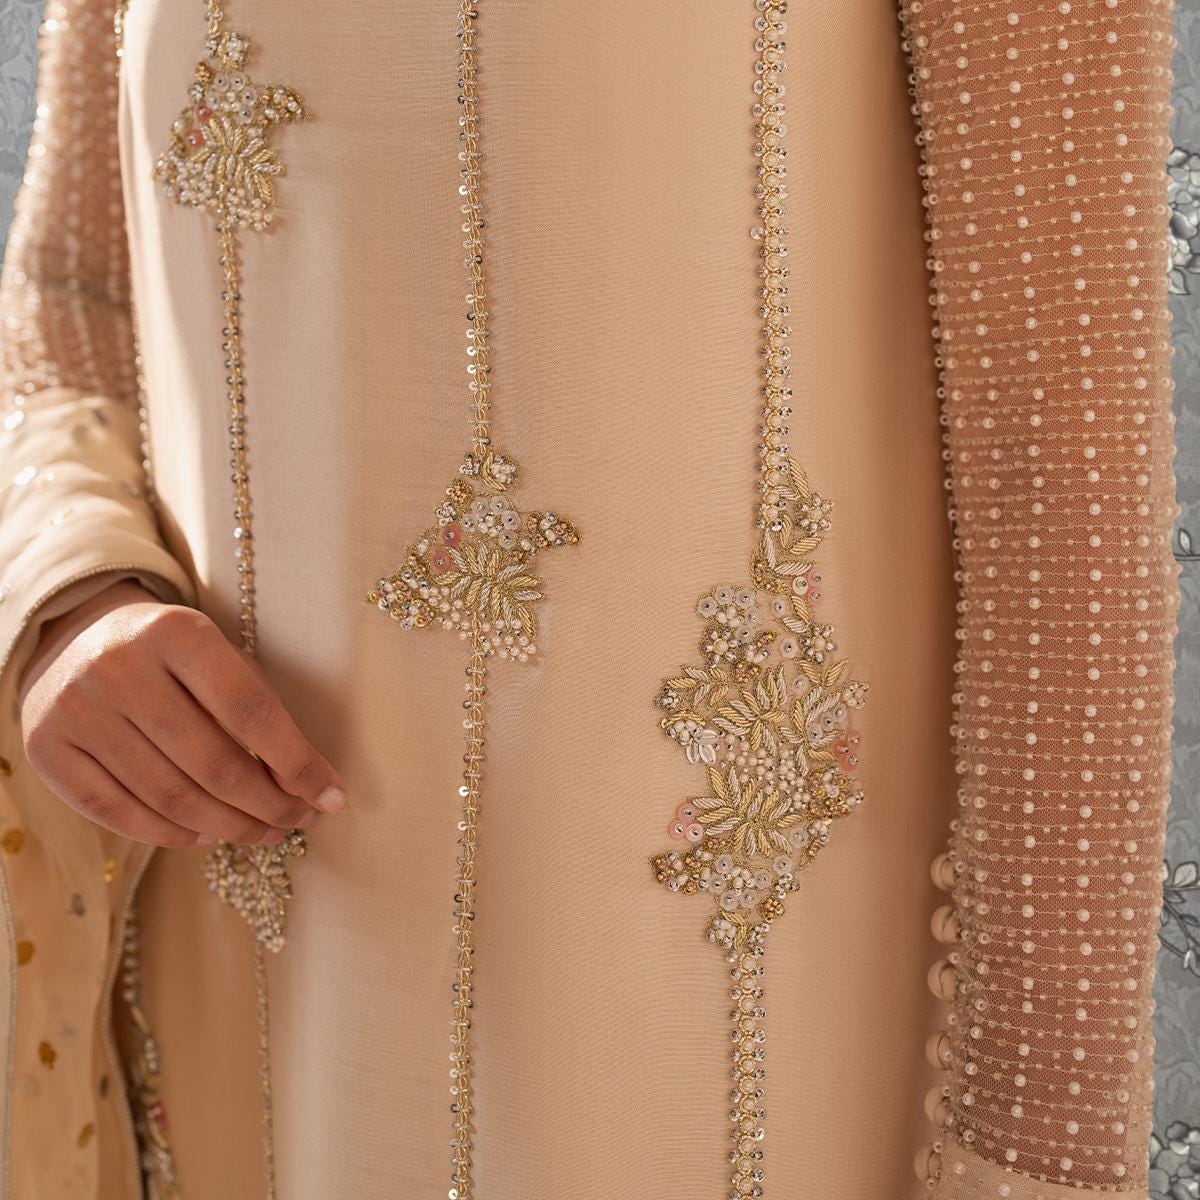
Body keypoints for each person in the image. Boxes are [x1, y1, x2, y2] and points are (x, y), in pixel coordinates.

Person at [0, 0, 1182, 1197]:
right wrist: (75, 591)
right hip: (243, 1008)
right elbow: (70, 295)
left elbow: (1064, 501)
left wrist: (1031, 1161)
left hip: (730, 1049)